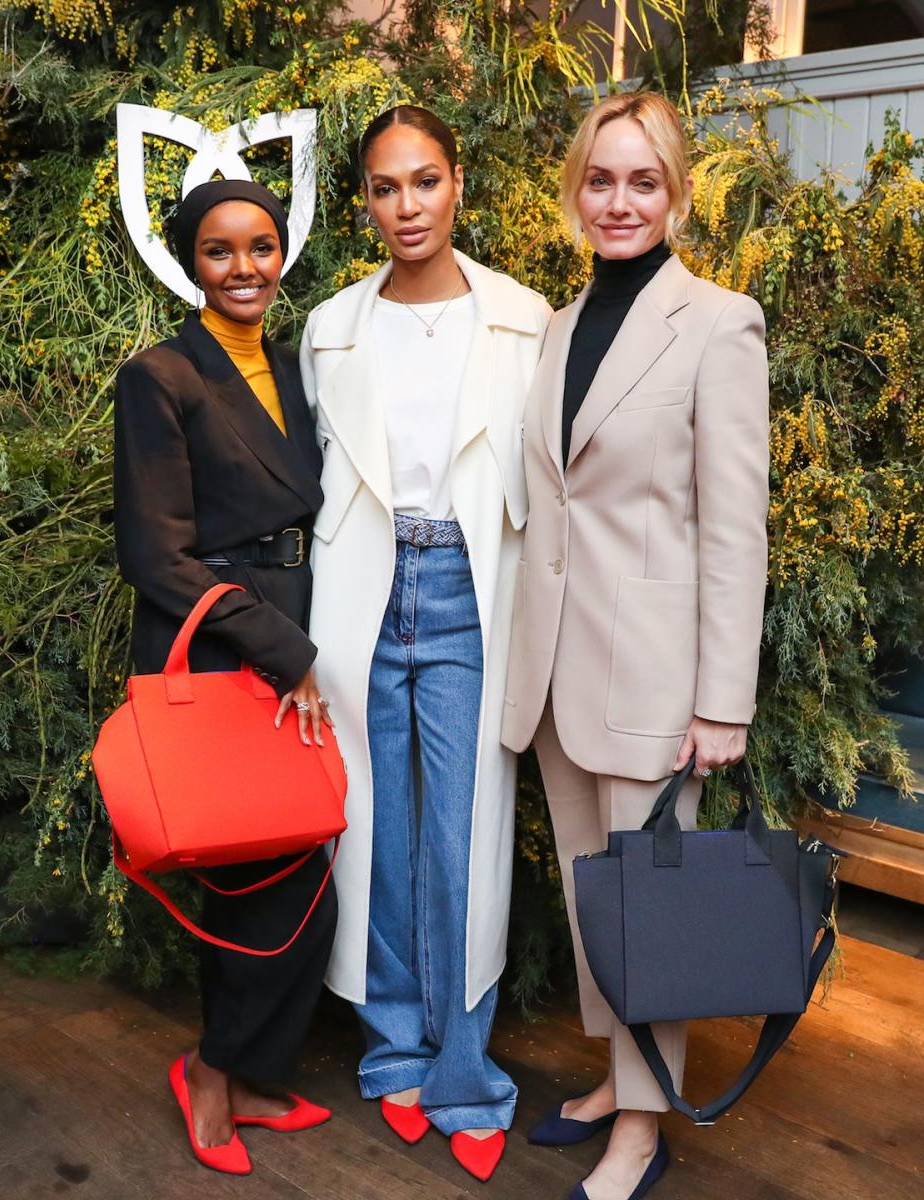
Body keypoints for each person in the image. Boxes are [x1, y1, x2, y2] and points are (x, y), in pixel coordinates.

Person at [501, 92, 770, 1200]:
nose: (619, 201)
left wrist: (723, 703)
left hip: (657, 680)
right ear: (578, 191)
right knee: (587, 896)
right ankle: (623, 1078)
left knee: (646, 911)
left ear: (677, 193)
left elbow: (733, 525)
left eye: (642, 181)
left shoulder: (720, 321)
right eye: (601, 180)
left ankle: (642, 1130)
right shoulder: (563, 324)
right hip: (560, 673)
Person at [300, 105, 551, 1182]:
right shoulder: (329, 327)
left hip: (468, 589)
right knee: (374, 831)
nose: (406, 205)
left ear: (459, 186)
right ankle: (392, 1048)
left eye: (425, 181)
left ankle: (465, 1073)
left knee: (463, 834)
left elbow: (548, 487)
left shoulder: (524, 319)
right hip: (362, 591)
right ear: (363, 200)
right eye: (384, 187)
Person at [114, 179, 337, 1176]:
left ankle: (252, 1075)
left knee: (307, 880)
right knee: (251, 876)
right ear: (188, 263)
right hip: (225, 649)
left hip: (297, 631)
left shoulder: (295, 369)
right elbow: (155, 553)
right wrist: (281, 648)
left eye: (260, 246)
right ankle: (209, 1073)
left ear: (281, 253)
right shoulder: (159, 376)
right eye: (219, 250)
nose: (243, 266)